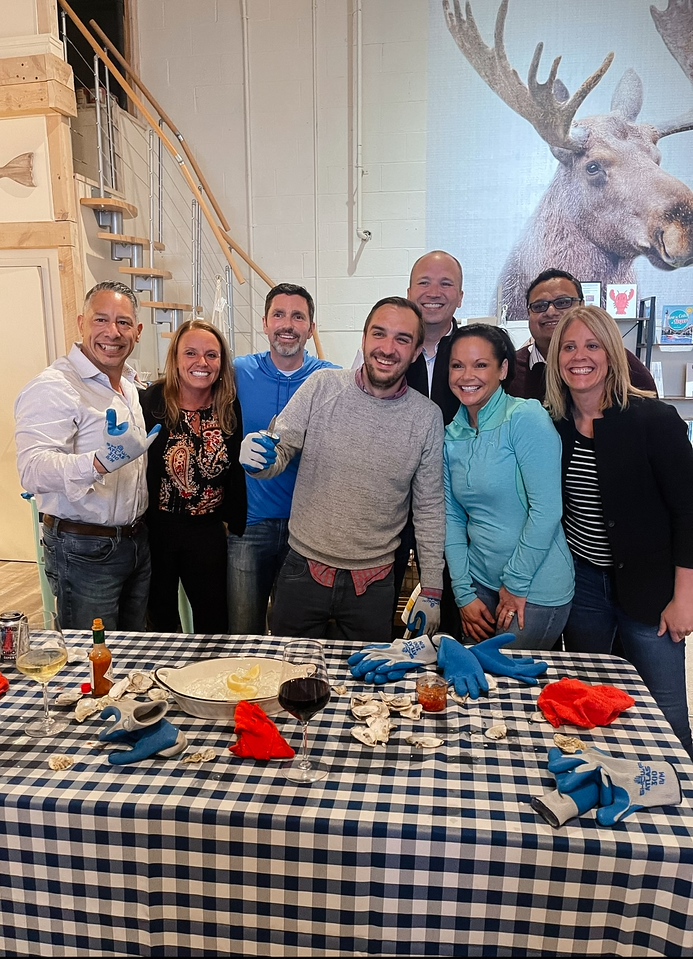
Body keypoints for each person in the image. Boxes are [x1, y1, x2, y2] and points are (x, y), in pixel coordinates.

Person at [240, 296, 445, 644]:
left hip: (375, 584)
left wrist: (433, 589)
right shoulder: (322, 386)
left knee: (368, 691)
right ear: (364, 340)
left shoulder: (426, 417)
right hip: (302, 572)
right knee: (290, 683)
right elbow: (282, 447)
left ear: (415, 352)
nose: (388, 348)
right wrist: (259, 462)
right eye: (379, 334)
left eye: (402, 339)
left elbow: (428, 508)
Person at [544, 304, 693, 757]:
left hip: (650, 591)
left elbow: (688, 513)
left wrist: (684, 599)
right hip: (585, 588)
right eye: (568, 347)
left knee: (665, 714)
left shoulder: (655, 421)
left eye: (592, 345)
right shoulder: (554, 425)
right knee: (594, 704)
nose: (579, 356)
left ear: (611, 353)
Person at [15, 281, 158, 630]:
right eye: (101, 320)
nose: (113, 332)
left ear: (137, 332)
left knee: (129, 654)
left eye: (124, 323)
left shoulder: (127, 383)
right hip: (83, 550)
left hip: (135, 543)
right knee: (90, 665)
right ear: (81, 323)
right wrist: (97, 462)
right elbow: (32, 469)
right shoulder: (54, 386)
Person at [444, 324, 574, 649]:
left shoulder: (524, 417)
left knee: (508, 688)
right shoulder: (450, 435)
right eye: (457, 365)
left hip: (533, 587)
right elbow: (453, 519)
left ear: (503, 369)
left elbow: (546, 512)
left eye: (480, 365)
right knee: (470, 682)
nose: (466, 375)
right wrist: (463, 593)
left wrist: (515, 584)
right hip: (479, 583)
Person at [228, 283, 339, 634]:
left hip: (307, 534)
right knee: (244, 630)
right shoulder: (238, 372)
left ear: (311, 327)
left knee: (295, 634)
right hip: (250, 527)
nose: (287, 324)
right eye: (278, 314)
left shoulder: (332, 380)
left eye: (298, 316)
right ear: (264, 323)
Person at [140, 319, 246, 633]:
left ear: (222, 363)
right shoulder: (152, 402)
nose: (202, 363)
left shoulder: (228, 406)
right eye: (191, 353)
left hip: (208, 532)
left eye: (211, 355)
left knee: (213, 624)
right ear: (175, 359)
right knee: (160, 622)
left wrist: (232, 522)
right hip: (157, 531)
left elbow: (236, 470)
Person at [507, 268, 656, 401]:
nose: (551, 312)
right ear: (528, 313)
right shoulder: (509, 370)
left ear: (582, 306)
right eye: (539, 306)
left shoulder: (623, 364)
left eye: (563, 302)